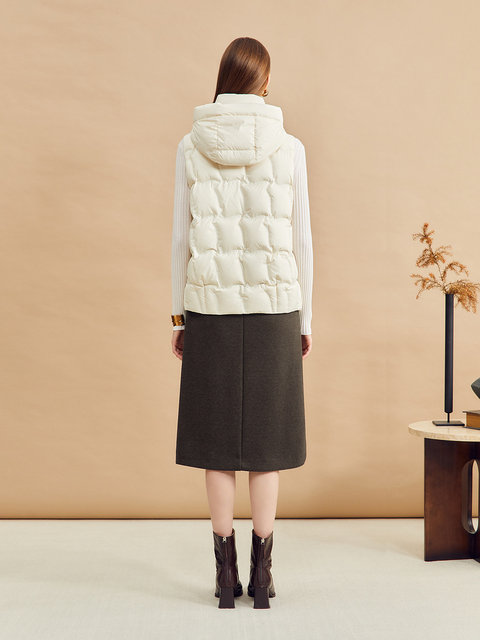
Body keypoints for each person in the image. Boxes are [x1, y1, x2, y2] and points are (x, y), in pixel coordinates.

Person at [170, 36, 313, 609]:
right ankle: (263, 576)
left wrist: (178, 316)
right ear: (265, 82)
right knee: (267, 446)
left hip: (210, 308)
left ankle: (224, 575)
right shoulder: (291, 147)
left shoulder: (189, 145)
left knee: (217, 444)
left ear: (224, 78)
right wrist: (305, 317)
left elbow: (180, 238)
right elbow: (301, 239)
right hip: (277, 308)